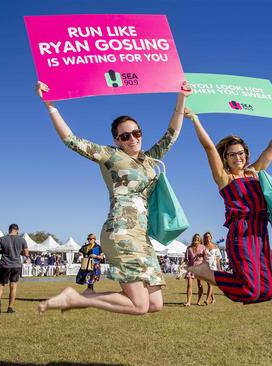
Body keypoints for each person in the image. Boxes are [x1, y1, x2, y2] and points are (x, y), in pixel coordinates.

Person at [36, 80, 192, 315]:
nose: (133, 139)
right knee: (139, 306)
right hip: (121, 232)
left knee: (155, 304)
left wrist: (182, 97)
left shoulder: (150, 160)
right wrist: (51, 106)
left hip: (142, 236)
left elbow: (172, 134)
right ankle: (77, 298)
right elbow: (72, 141)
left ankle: (81, 298)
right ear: (117, 140)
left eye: (136, 133)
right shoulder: (110, 156)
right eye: (125, 136)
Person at [184, 108, 272, 304]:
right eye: (232, 155)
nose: (238, 158)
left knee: (267, 291)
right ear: (225, 158)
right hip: (241, 232)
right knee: (249, 290)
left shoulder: (255, 172)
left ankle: (214, 275)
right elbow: (209, 147)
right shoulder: (224, 178)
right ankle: (207, 272)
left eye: (241, 153)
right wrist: (195, 120)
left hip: (260, 232)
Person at [0, 224, 29, 314]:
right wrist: (18, 252)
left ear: (9, 230)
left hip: (4, 265)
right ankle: (10, 307)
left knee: (0, 284)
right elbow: (26, 254)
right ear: (17, 230)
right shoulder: (22, 240)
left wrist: (2, 252)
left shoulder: (2, 239)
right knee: (13, 287)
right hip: (16, 265)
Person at [182, 234, 207, 307]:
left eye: (198, 238)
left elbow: (206, 257)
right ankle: (188, 302)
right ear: (193, 239)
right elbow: (186, 259)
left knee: (200, 285)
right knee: (189, 285)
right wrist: (182, 265)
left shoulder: (203, 247)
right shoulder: (189, 248)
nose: (197, 239)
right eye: (195, 238)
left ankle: (199, 301)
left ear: (200, 240)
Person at [203, 232, 222, 305]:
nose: (208, 238)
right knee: (209, 284)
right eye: (206, 237)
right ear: (204, 238)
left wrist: (219, 268)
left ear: (211, 237)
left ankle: (207, 300)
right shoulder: (203, 246)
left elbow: (217, 259)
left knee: (210, 283)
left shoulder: (215, 247)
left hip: (213, 267)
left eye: (209, 237)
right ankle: (213, 299)